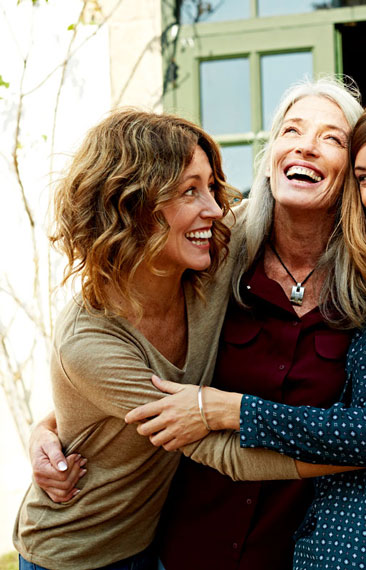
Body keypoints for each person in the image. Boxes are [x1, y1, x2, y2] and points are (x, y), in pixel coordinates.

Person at [30, 80, 366, 569]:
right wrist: (49, 426)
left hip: (297, 550)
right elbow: (125, 356)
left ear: (351, 176)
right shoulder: (215, 256)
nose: (306, 145)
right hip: (183, 548)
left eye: (331, 138)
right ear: (272, 151)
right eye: (292, 129)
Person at [14, 109, 306, 570]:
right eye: (190, 190)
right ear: (129, 206)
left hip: (153, 542)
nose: (213, 208)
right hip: (73, 555)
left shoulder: (208, 261)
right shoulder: (90, 340)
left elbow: (278, 197)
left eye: (211, 186)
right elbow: (223, 453)